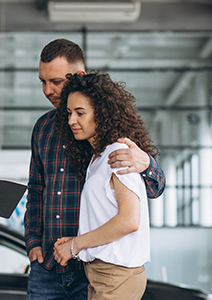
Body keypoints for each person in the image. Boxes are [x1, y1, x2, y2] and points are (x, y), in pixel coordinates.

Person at [24, 38, 165, 300]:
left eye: (55, 81)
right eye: (42, 81)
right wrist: (33, 242)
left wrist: (148, 164)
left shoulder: (109, 137)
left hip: (89, 264)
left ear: (78, 76)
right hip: (47, 265)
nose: (47, 90)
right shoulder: (42, 128)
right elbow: (35, 189)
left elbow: (150, 193)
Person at [53, 71, 157, 299]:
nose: (72, 120)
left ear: (101, 114)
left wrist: (76, 245)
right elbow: (105, 212)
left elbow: (129, 221)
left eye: (80, 113)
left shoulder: (118, 154)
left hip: (115, 276)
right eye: (69, 113)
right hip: (102, 273)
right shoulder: (97, 157)